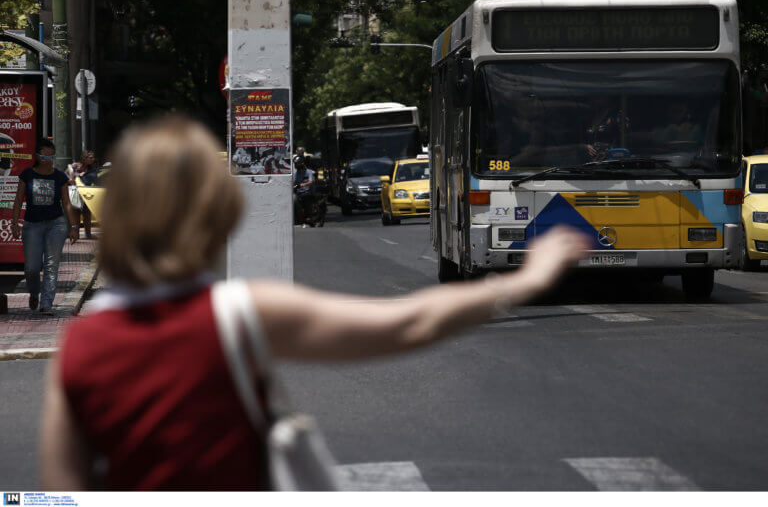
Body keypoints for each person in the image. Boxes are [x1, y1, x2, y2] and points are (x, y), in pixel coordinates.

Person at [39, 116, 589, 490]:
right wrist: (523, 280)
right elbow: (408, 323)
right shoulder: (237, 313)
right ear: (217, 216)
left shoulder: (81, 342)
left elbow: (61, 487)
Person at [11, 139, 80, 314]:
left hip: (56, 224)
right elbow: (18, 200)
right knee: (32, 268)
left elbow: (67, 204)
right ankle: (34, 293)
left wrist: (73, 226)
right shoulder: (27, 175)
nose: (47, 158)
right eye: (43, 154)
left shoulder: (60, 177)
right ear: (37, 155)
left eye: (51, 155)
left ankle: (47, 303)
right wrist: (14, 222)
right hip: (32, 225)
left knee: (51, 265)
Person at [66, 150, 98, 239]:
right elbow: (67, 176)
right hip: (75, 192)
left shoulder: (91, 168)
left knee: (87, 214)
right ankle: (76, 234)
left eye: (93, 157)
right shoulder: (74, 166)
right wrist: (78, 175)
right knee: (76, 214)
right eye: (91, 157)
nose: (93, 159)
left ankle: (88, 234)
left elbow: (94, 178)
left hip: (86, 193)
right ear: (84, 158)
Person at [292, 152, 316, 224]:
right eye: (295, 164)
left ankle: (309, 215)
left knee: (306, 197)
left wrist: (304, 184)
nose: (296, 165)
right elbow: (294, 182)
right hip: (299, 192)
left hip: (308, 191)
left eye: (297, 163)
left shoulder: (309, 172)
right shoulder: (296, 173)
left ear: (301, 163)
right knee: (294, 200)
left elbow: (311, 181)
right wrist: (293, 186)